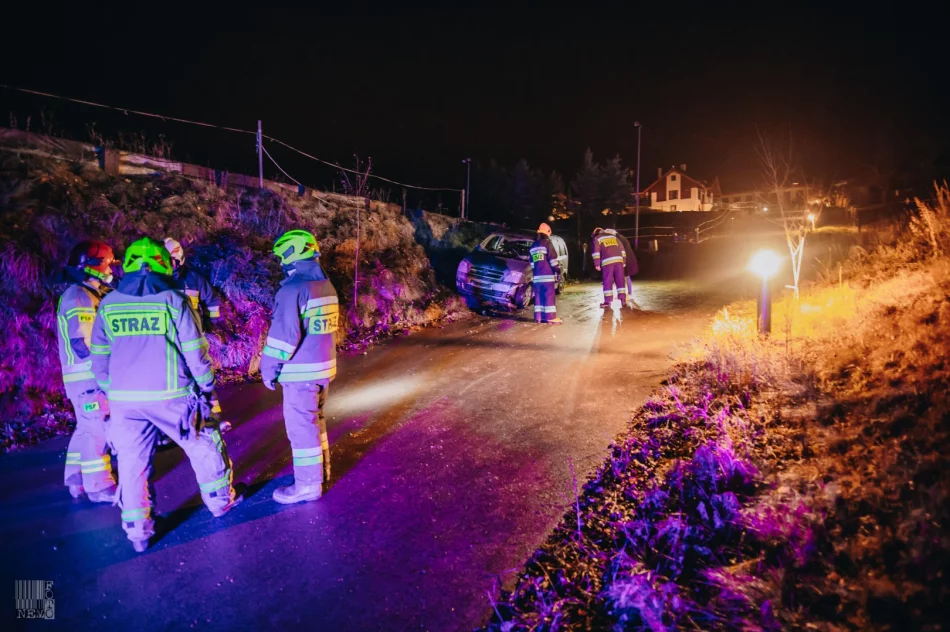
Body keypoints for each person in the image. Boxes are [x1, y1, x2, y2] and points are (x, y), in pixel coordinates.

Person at [91, 237, 243, 552]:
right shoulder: (173, 300)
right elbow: (194, 350)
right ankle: (219, 502)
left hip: (124, 400)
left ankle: (138, 532)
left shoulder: (108, 304)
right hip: (172, 394)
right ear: (163, 263)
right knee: (203, 443)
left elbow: (100, 357)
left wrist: (111, 392)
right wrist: (205, 386)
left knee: (132, 463)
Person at [261, 229, 338, 504]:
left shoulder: (292, 290)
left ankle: (307, 485)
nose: (280, 262)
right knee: (315, 423)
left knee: (301, 429)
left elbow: (283, 339)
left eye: (281, 256)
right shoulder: (326, 285)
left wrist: (268, 369)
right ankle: (322, 472)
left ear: (290, 255)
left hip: (299, 374)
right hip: (322, 371)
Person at [57, 240, 118, 503]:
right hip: (88, 377)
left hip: (80, 378)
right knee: (96, 428)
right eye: (108, 264)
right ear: (95, 267)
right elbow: (82, 344)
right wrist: (108, 369)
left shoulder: (85, 294)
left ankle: (76, 478)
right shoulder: (80, 296)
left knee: (85, 427)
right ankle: (99, 486)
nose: (111, 270)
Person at [162, 238, 229, 436]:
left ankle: (213, 419)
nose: (170, 265)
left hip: (193, 339)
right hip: (170, 341)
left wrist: (211, 323)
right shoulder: (160, 281)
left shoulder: (194, 279)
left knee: (203, 376)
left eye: (172, 261)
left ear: (179, 258)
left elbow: (212, 301)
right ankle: (179, 423)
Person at [530, 223, 562, 325]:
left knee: (538, 297)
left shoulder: (533, 246)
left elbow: (532, 263)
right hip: (547, 276)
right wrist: (558, 270)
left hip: (537, 277)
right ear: (548, 233)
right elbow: (553, 260)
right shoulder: (547, 243)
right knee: (549, 296)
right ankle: (550, 317)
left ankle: (539, 317)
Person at [591, 227, 629, 309]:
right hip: (619, 261)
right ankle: (623, 299)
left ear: (596, 234)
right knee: (620, 280)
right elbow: (622, 249)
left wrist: (597, 263)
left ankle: (607, 302)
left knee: (607, 281)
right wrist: (624, 261)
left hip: (607, 262)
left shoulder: (597, 238)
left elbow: (596, 252)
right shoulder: (613, 237)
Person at [604, 228, 640, 309]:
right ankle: (626, 295)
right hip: (626, 260)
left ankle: (627, 295)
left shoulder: (618, 239)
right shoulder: (620, 237)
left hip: (625, 261)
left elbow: (620, 251)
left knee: (625, 278)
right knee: (626, 278)